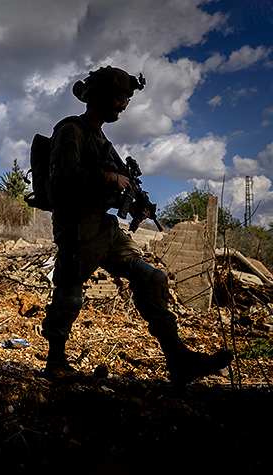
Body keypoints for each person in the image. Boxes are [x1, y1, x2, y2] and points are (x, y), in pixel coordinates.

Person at [42, 66, 232, 384]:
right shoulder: (70, 131)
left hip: (104, 227)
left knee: (153, 279)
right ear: (98, 96)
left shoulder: (102, 141)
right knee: (70, 295)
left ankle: (179, 360)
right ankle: (56, 362)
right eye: (119, 98)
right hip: (77, 227)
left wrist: (131, 202)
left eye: (126, 100)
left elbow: (107, 191)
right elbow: (62, 180)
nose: (123, 106)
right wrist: (110, 178)